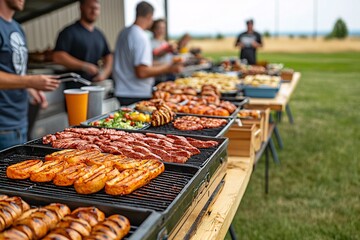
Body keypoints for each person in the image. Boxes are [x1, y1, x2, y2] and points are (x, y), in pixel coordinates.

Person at [0, 0, 59, 150]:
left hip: (20, 121)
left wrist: (31, 89)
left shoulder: (17, 27)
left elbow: (15, 71)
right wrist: (30, 81)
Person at [113, 1, 182, 106]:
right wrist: (169, 69)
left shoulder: (125, 32)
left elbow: (138, 63)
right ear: (150, 16)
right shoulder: (140, 36)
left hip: (123, 91)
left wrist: (168, 63)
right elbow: (142, 72)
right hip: (136, 93)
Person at [53, 0, 113, 89]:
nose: (94, 11)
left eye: (96, 8)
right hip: (75, 89)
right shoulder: (69, 32)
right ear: (81, 8)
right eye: (90, 7)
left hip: (95, 86)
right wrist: (84, 66)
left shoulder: (99, 35)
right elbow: (58, 57)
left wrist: (104, 73)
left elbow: (109, 56)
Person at [150, 19, 176, 85]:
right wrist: (168, 49)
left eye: (163, 28)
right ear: (153, 29)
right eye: (159, 27)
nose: (161, 30)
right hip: (157, 78)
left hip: (168, 75)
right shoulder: (150, 43)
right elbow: (157, 53)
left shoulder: (164, 42)